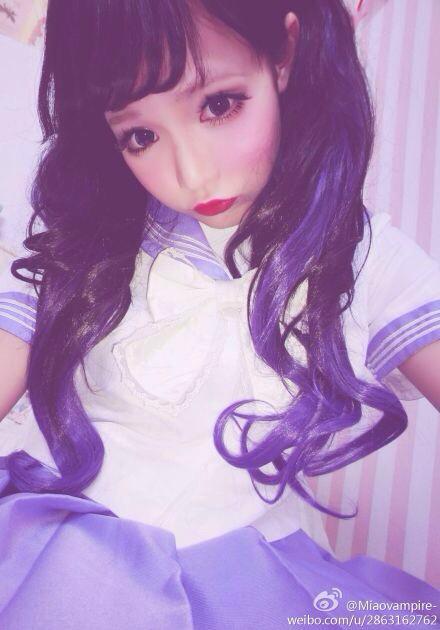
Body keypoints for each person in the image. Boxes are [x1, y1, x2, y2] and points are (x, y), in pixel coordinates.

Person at [0, 0, 439, 628]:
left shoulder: (365, 261)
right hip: (64, 560)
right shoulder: (87, 244)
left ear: (283, 54)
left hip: (250, 584)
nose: (192, 173)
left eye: (219, 104)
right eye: (140, 136)